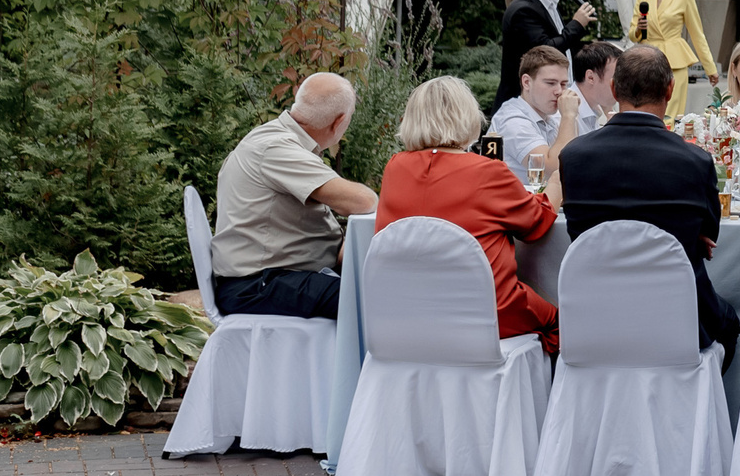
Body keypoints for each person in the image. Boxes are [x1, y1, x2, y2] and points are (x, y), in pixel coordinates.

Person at [557, 43, 739, 357]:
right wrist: (691, 237)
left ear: (614, 89)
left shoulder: (573, 157)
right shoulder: (694, 161)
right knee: (730, 325)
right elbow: (711, 231)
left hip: (594, 319)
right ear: (670, 90)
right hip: (678, 321)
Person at [375, 75, 562, 352]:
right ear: (467, 116)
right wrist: (558, 180)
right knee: (560, 322)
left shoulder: (395, 168)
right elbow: (537, 223)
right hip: (486, 310)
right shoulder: (487, 171)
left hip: (408, 312)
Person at [209, 72, 378, 319]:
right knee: (371, 298)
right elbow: (363, 201)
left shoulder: (280, 141)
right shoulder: (277, 148)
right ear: (339, 122)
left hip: (271, 277)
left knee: (375, 289)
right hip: (256, 285)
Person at [498, 0, 596, 106]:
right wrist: (577, 24)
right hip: (526, 104)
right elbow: (546, 51)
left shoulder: (548, 2)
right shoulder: (523, 10)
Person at [630, 0, 717, 120]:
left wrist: (710, 68)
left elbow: (697, 35)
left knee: (672, 113)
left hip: (675, 61)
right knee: (646, 108)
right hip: (647, 59)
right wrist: (639, 28)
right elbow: (632, 34)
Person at [486, 45, 573, 187]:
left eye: (563, 84)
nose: (559, 91)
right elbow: (553, 167)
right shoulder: (512, 120)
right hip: (513, 206)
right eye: (550, 83)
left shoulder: (549, 115)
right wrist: (569, 116)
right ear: (526, 82)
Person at [573, 41, 620, 131]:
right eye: (616, 78)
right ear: (591, 77)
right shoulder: (562, 116)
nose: (621, 85)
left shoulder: (592, 109)